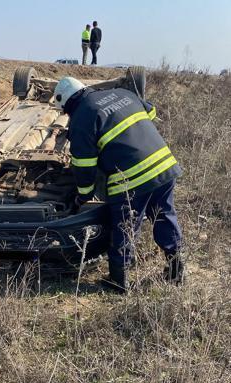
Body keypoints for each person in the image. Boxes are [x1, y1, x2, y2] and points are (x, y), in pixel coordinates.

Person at [54, 77, 185, 293]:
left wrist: (83, 195)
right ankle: (176, 268)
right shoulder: (123, 93)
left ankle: (118, 281)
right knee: (164, 215)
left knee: (125, 227)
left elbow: (84, 165)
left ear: (66, 104)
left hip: (132, 179)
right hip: (164, 166)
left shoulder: (81, 117)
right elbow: (150, 113)